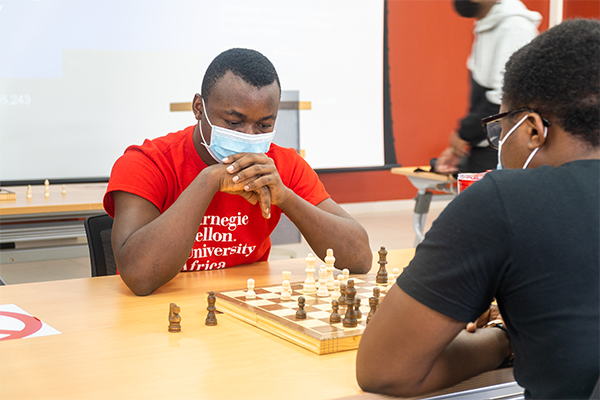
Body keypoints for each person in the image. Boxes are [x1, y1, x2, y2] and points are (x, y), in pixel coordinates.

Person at [357, 19, 599, 399]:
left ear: (534, 129)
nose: (499, 144)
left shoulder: (506, 200)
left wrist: (504, 339)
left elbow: (384, 370)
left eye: (501, 130)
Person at [103, 48, 372, 296]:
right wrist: (208, 180)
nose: (248, 136)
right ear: (199, 108)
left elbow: (359, 258)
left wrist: (286, 198)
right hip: (157, 316)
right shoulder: (148, 162)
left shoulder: (281, 164)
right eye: (234, 122)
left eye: (264, 125)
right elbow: (139, 276)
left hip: (244, 304)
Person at [433, 0, 541, 174]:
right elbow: (483, 93)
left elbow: (504, 97)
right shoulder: (488, 24)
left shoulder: (513, 27)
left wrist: (465, 133)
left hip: (502, 146)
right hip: (487, 141)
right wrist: (463, 141)